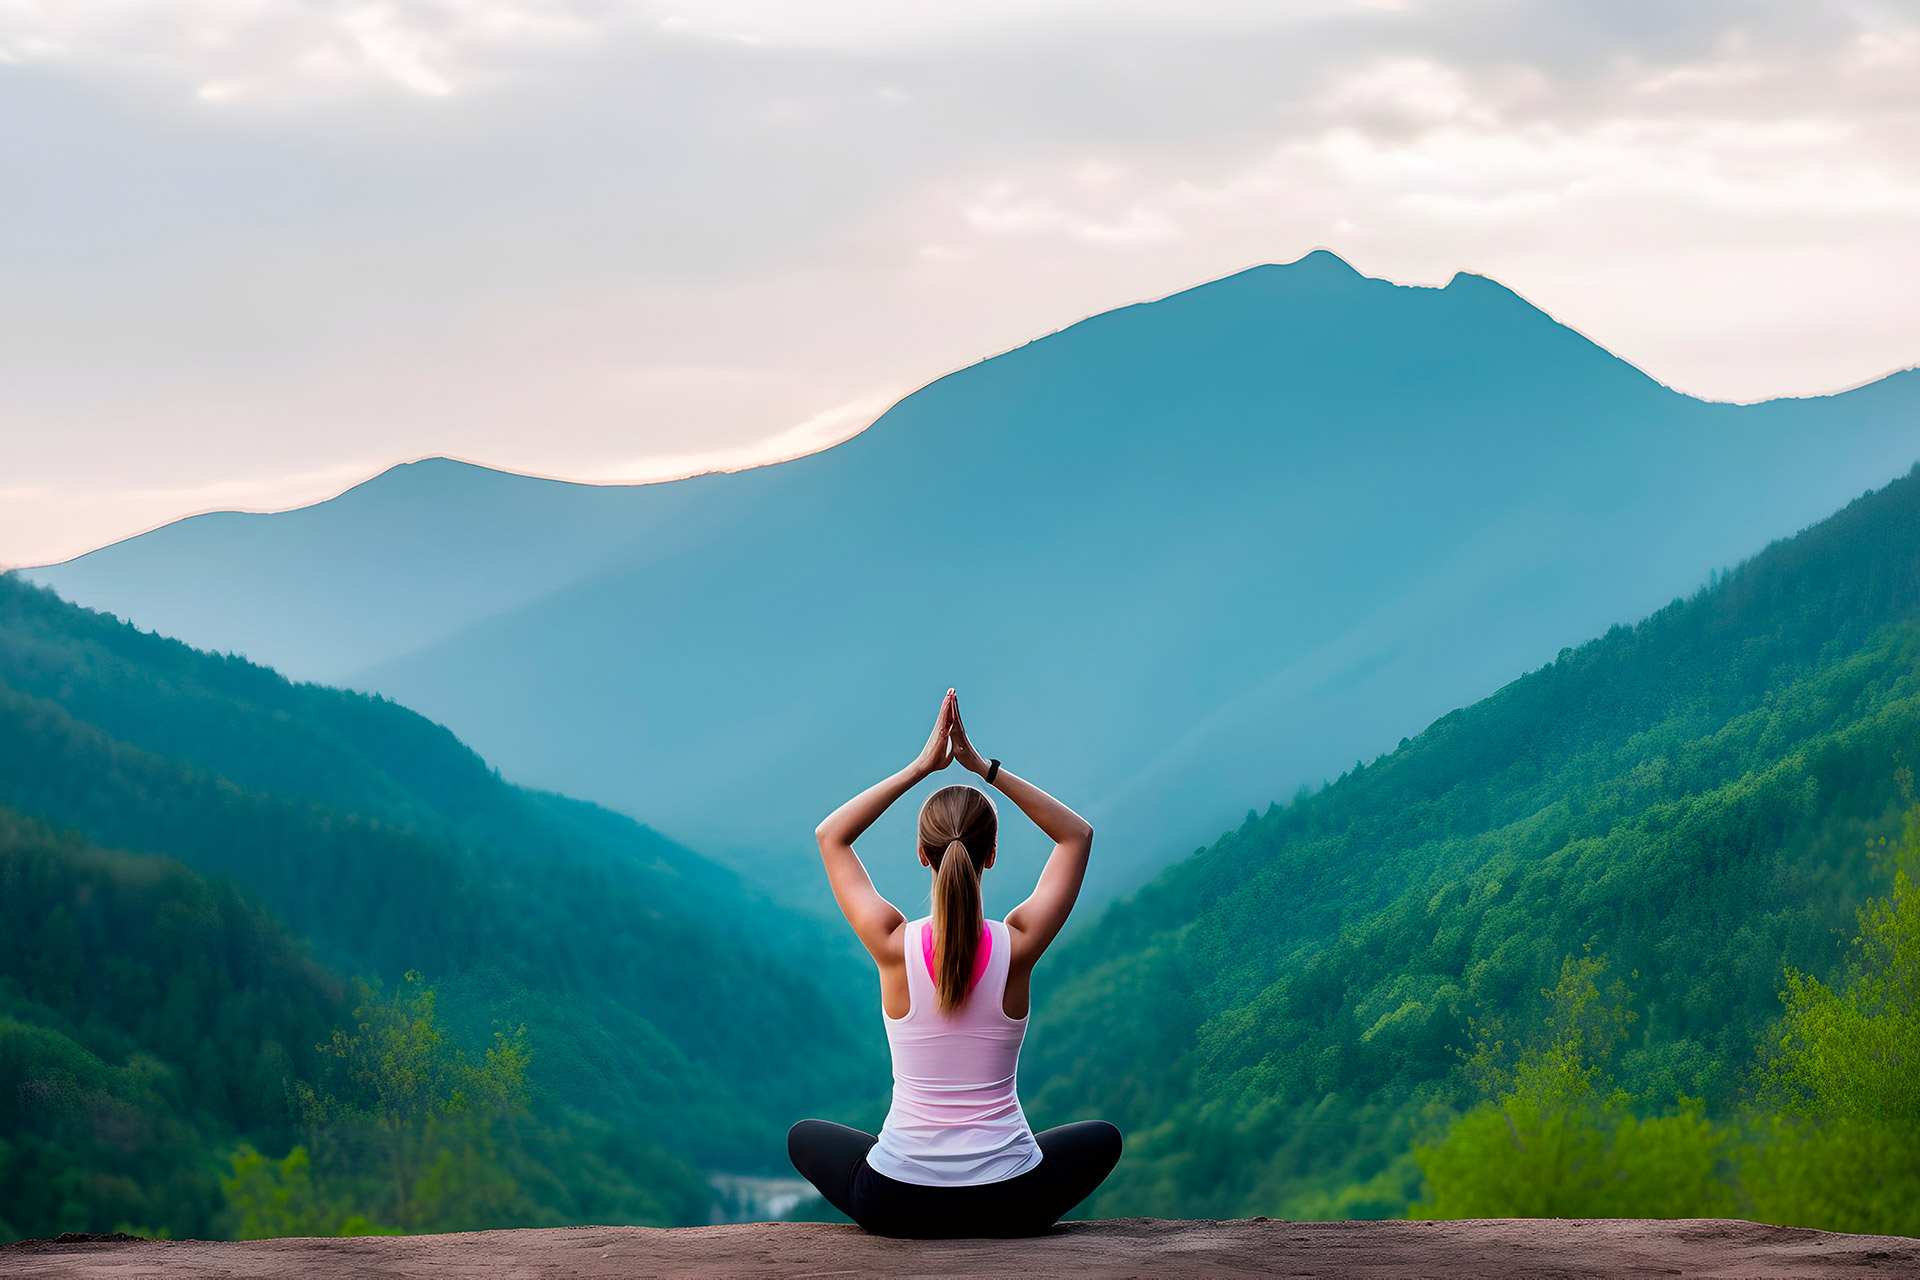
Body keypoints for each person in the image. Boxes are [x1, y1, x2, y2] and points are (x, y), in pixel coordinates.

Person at [788, 688, 1121, 1238]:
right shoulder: (1018, 945)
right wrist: (984, 768)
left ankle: (908, 1158)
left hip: (897, 1203)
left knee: (805, 1134)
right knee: (1102, 1136)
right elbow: (1076, 835)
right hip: (1012, 1201)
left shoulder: (893, 944)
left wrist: (922, 767)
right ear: (991, 855)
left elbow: (831, 836)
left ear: (922, 854)